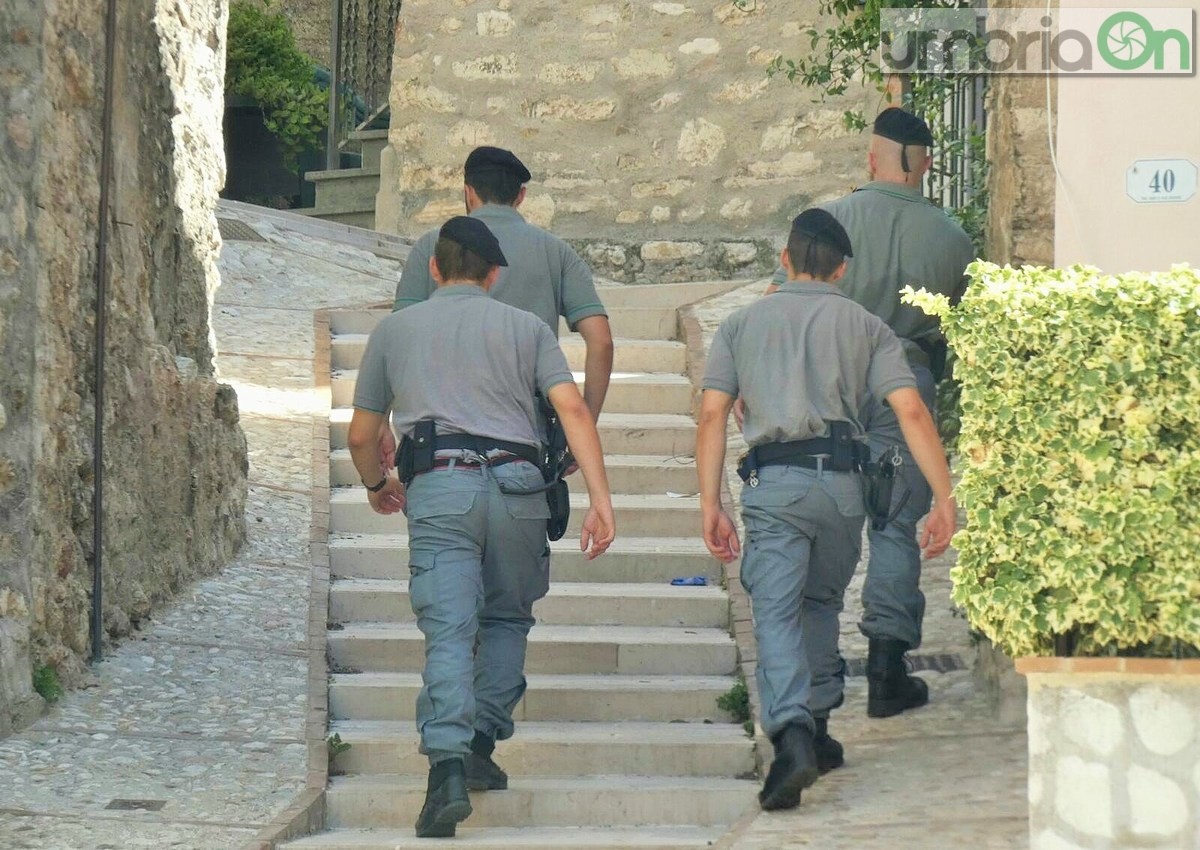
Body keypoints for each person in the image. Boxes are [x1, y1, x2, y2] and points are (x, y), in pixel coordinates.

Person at [347, 216, 616, 838]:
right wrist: (602, 500)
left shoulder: (395, 331)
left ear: (435, 269)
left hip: (441, 486)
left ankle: (444, 768)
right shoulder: (526, 329)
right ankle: (480, 743)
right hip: (521, 486)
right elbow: (571, 408)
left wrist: (376, 485)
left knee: (449, 627)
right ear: (494, 276)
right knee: (506, 618)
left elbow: (363, 434)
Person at [698, 210, 956, 811]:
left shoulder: (741, 324)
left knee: (777, 609)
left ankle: (792, 734)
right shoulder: (867, 326)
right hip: (842, 486)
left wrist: (711, 503)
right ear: (841, 269)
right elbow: (912, 412)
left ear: (785, 259)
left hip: (775, 485)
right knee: (820, 604)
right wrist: (945, 499)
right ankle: (818, 726)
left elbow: (713, 414)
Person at [761, 107, 975, 718]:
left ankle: (816, 679)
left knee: (829, 521)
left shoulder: (831, 224)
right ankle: (886, 665)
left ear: (871, 159)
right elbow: (965, 333)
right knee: (896, 521)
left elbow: (781, 306)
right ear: (926, 164)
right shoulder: (951, 237)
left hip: (833, 389)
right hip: (905, 385)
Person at [393, 145, 614, 421]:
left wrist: (385, 416)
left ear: (468, 191)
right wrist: (585, 422)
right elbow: (601, 341)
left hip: (442, 421)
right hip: (527, 427)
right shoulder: (556, 252)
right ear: (520, 195)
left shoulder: (432, 246)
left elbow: (398, 338)